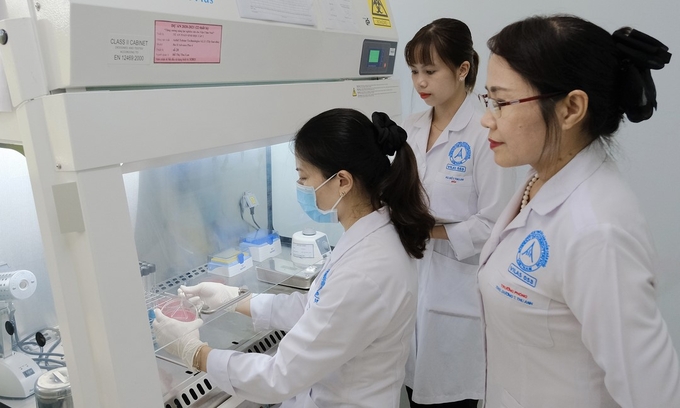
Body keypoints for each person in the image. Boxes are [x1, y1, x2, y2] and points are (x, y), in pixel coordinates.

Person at [153, 108, 436, 407]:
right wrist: (236, 300)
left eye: (304, 176)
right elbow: (318, 308)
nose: (301, 187)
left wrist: (194, 351)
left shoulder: (367, 268)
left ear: (342, 181)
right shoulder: (371, 232)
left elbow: (277, 378)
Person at [476, 14, 679, 408]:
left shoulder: (598, 232)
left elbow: (655, 395)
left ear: (571, 108)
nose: (487, 118)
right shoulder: (542, 179)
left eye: (501, 102)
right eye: (489, 100)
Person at [401, 18, 515, 408]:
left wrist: (426, 231)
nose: (420, 82)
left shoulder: (486, 133)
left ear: (463, 69)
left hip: (458, 297)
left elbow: (495, 224)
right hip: (412, 290)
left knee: (450, 396)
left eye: (430, 71)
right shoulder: (412, 128)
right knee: (414, 390)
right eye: (414, 71)